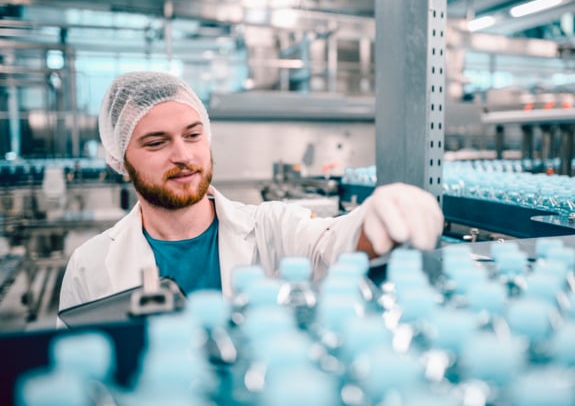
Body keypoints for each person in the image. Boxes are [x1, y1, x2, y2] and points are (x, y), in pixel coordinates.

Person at [58, 71, 444, 322]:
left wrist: (377, 217)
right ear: (120, 160)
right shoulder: (91, 266)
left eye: (193, 135)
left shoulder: (270, 227)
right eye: (157, 142)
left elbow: (332, 243)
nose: (184, 155)